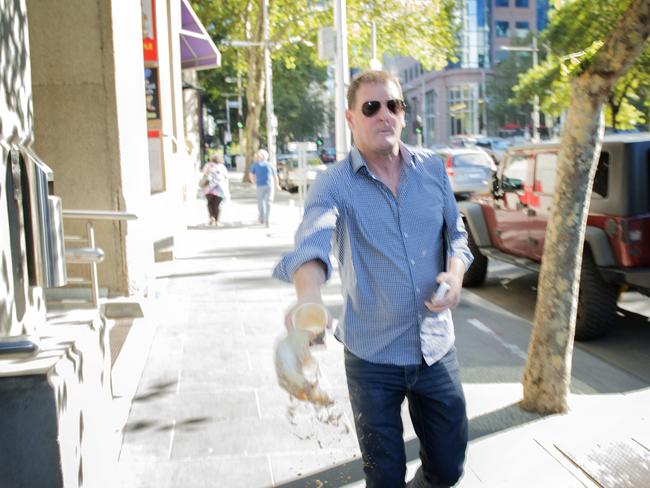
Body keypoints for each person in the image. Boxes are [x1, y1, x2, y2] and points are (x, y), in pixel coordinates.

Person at [273, 70, 473, 488]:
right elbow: (313, 239)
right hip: (372, 358)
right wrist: (309, 299)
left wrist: (454, 277)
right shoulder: (335, 183)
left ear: (403, 113)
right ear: (351, 118)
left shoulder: (432, 170)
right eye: (371, 107)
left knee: (449, 466)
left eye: (393, 106)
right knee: (383, 476)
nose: (384, 115)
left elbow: (457, 235)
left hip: (436, 349)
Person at [249, 149, 280, 228]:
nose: (258, 156)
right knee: (264, 203)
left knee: (264, 202)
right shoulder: (261, 165)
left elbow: (275, 176)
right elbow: (251, 175)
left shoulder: (263, 165)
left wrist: (277, 185)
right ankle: (264, 218)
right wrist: (277, 185)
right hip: (264, 185)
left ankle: (265, 219)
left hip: (265, 186)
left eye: (260, 155)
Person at [200, 153, 230, 226]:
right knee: (217, 205)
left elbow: (203, 174)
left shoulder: (207, 165)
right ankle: (217, 221)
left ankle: (211, 218)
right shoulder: (222, 167)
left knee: (210, 204)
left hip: (208, 189)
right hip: (219, 189)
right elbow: (226, 177)